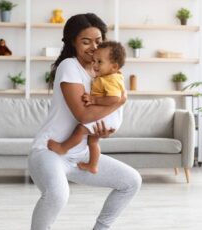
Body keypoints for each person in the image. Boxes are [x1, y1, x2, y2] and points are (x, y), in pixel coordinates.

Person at [28, 13, 142, 230]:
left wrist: (101, 133)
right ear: (73, 42)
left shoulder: (102, 72)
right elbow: (83, 115)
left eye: (98, 41)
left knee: (131, 181)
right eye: (85, 41)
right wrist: (120, 102)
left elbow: (97, 117)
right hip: (49, 151)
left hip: (80, 154)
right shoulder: (69, 66)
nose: (93, 46)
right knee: (58, 195)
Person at [47, 41, 126, 174]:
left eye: (99, 62)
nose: (94, 65)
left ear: (114, 66)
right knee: (93, 141)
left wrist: (94, 99)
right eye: (94, 61)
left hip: (108, 115)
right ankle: (93, 165)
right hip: (109, 116)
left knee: (80, 129)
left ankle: (63, 148)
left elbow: (114, 99)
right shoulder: (109, 76)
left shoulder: (111, 79)